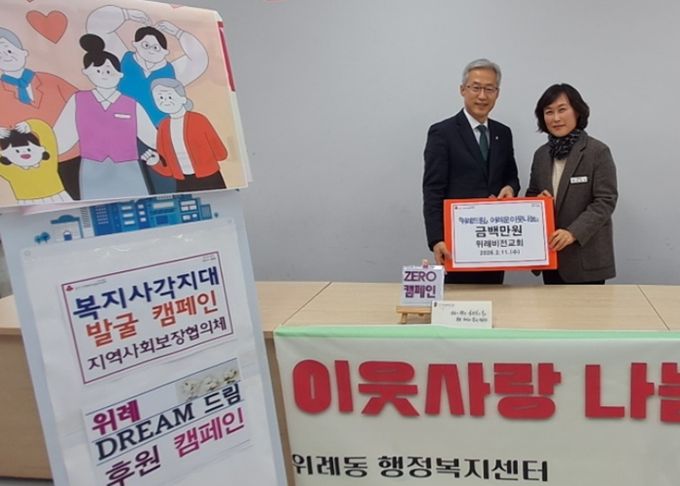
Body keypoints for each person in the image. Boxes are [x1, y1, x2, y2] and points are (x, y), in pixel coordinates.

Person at [423, 58, 520, 284]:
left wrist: (510, 188)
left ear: (497, 93)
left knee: (494, 299)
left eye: (489, 89)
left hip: (493, 242)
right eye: (476, 88)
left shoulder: (503, 133)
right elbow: (433, 189)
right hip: (456, 243)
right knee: (460, 301)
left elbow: (511, 176)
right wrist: (436, 239)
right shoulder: (442, 132)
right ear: (463, 90)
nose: (482, 96)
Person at [525, 84, 617, 284]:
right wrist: (537, 202)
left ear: (577, 111)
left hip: (585, 258)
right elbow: (531, 194)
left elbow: (605, 201)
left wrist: (573, 232)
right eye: (549, 112)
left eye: (562, 109)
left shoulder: (597, 152)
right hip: (551, 256)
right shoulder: (541, 155)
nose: (556, 118)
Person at [53, 34, 157, 200]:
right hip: (93, 168)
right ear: (87, 73)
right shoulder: (78, 100)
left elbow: (151, 137)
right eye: (98, 71)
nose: (104, 75)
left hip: (128, 167)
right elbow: (62, 137)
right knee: (98, 206)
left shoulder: (131, 103)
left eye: (108, 71)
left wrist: (164, 152)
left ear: (119, 74)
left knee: (138, 204)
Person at [0, 27, 81, 199]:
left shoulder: (49, 80)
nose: (6, 56)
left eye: (9, 50)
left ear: (23, 52)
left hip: (72, 157)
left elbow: (82, 103)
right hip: (32, 167)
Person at [142, 78, 228, 192]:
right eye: (160, 98)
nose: (165, 101)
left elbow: (221, 154)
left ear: (182, 98)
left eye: (169, 96)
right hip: (183, 182)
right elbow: (168, 167)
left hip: (210, 178)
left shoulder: (198, 120)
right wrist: (156, 163)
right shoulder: (163, 126)